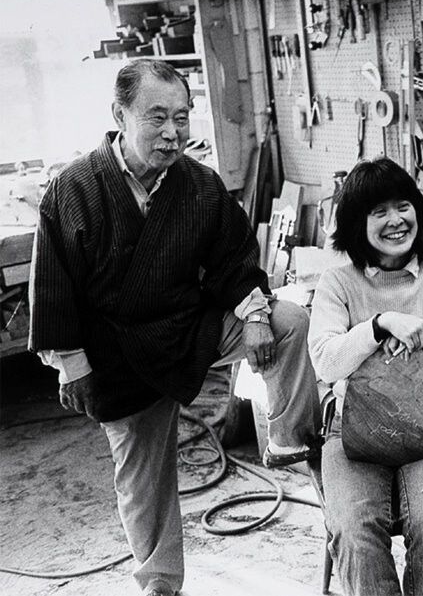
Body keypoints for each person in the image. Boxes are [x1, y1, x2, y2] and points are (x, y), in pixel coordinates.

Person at [28, 59, 322, 596]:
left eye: (183, 118)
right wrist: (72, 367)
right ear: (119, 114)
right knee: (144, 483)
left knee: (289, 320)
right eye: (157, 117)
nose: (172, 133)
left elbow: (236, 263)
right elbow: (52, 289)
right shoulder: (73, 188)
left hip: (189, 330)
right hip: (117, 352)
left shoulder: (200, 185)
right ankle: (160, 584)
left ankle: (287, 436)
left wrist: (254, 314)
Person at [307, 157, 423, 596]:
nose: (395, 220)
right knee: (354, 531)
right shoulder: (337, 284)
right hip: (353, 430)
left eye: (403, 206)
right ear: (355, 223)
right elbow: (325, 361)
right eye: (378, 211)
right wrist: (378, 325)